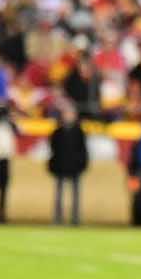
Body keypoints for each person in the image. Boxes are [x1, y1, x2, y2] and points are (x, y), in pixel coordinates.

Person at [47, 95, 88, 227]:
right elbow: (53, 149)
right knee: (59, 194)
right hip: (60, 166)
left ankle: (75, 219)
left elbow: (83, 150)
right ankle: (57, 218)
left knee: (76, 195)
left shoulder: (79, 132)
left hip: (75, 166)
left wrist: (81, 163)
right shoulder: (57, 132)